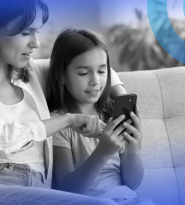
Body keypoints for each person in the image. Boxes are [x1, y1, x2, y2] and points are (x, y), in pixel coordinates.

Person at [0, 1, 126, 205]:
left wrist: (124, 101)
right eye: (26, 33)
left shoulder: (30, 73)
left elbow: (88, 64)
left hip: (40, 187)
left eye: (37, 32)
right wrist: (67, 120)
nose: (36, 43)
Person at [46, 28, 153, 205]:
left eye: (102, 71)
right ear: (61, 75)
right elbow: (68, 189)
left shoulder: (112, 114)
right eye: (83, 73)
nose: (95, 81)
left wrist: (133, 147)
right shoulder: (59, 123)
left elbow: (133, 183)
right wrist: (103, 151)